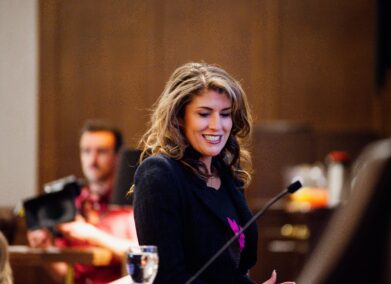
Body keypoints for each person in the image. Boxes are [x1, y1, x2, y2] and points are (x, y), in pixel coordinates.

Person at [133, 62, 294, 284]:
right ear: (179, 117)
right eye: (204, 114)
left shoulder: (228, 176)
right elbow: (167, 278)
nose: (217, 125)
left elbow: (229, 274)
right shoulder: (158, 174)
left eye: (225, 114)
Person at [27, 120, 138, 284]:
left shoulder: (131, 200)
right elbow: (67, 275)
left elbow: (142, 253)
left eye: (101, 152)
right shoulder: (73, 203)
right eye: (86, 151)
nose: (92, 160)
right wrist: (45, 248)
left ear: (117, 156)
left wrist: (91, 234)